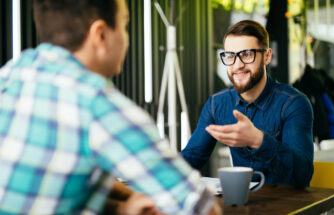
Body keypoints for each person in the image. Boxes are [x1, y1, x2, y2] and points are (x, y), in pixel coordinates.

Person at [0, 0, 221, 214]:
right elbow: (203, 208)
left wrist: (122, 207)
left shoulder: (12, 73)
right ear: (101, 35)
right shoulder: (98, 105)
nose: (127, 38)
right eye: (125, 25)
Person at [181, 20, 314, 188]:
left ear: (267, 56)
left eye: (246, 54)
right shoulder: (217, 104)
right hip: (241, 204)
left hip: (286, 207)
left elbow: (302, 175)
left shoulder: (293, 103)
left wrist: (258, 140)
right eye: (230, 56)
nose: (237, 65)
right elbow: (192, 157)